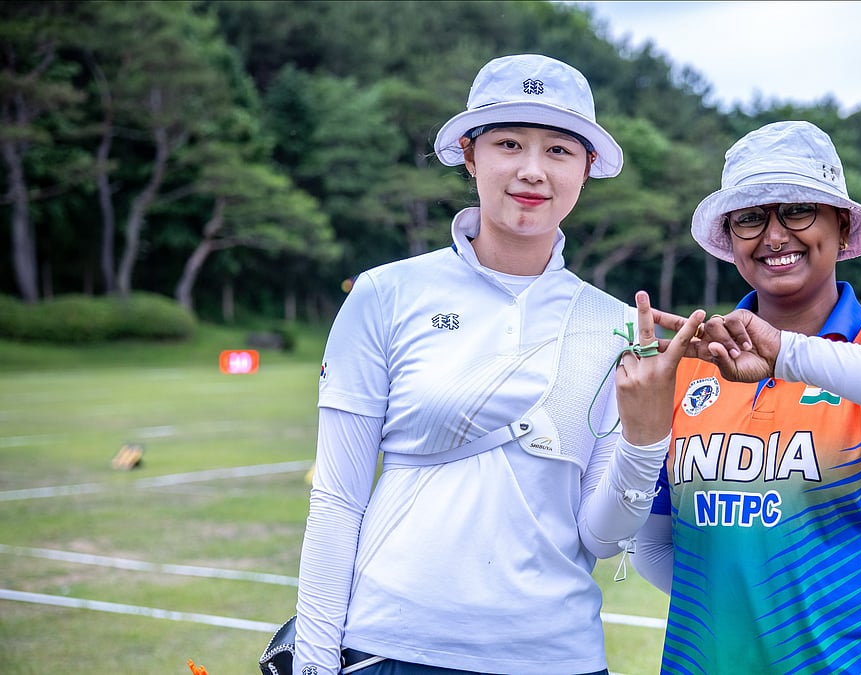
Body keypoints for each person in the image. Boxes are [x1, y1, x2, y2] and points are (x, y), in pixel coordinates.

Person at [292, 53, 703, 675]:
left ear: (588, 169)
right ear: (469, 154)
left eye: (560, 151)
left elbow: (601, 538)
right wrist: (314, 666)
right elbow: (337, 500)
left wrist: (646, 441)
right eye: (510, 143)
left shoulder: (616, 323)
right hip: (394, 648)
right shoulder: (385, 293)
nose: (533, 171)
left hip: (557, 655)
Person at [632, 121, 861, 674]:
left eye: (798, 211)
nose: (774, 235)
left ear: (840, 225)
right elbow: (655, 546)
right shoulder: (696, 365)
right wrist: (757, 610)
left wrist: (789, 353)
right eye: (751, 217)